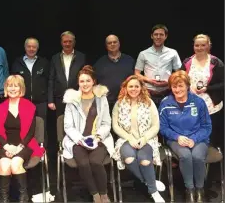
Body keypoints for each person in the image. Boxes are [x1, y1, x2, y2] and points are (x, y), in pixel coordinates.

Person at [0, 75, 45, 203]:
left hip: (25, 144)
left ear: (21, 89)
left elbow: (30, 133)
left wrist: (18, 148)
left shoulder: (30, 106)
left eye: (16, 85)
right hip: (5, 145)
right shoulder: (0, 108)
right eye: (10, 85)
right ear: (6, 88)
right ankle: (4, 200)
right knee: (4, 164)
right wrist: (7, 147)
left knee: (14, 164)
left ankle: (23, 198)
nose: (12, 88)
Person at [62, 65, 114, 203]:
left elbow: (106, 123)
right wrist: (80, 140)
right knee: (84, 163)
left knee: (96, 162)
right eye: (82, 81)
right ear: (78, 83)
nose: (85, 84)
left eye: (88, 81)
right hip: (77, 140)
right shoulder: (71, 101)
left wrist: (97, 137)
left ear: (93, 82)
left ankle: (104, 194)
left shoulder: (101, 99)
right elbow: (68, 126)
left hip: (99, 139)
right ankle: (95, 194)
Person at [159, 70, 212, 202]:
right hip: (176, 139)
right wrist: (177, 137)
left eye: (180, 86)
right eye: (174, 86)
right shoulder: (165, 103)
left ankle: (199, 189)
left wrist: (194, 139)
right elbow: (163, 127)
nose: (177, 89)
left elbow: (206, 127)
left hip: (198, 138)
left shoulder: (198, 102)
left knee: (197, 156)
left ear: (187, 86)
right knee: (185, 155)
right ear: (171, 87)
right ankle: (189, 189)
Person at [112, 75, 165, 203]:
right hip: (126, 140)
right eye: (131, 86)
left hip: (146, 139)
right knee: (129, 159)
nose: (134, 89)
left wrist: (144, 138)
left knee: (145, 161)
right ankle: (152, 185)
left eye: (137, 86)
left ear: (141, 88)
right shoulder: (119, 103)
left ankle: (152, 190)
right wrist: (129, 138)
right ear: (125, 88)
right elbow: (115, 126)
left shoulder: (149, 102)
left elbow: (155, 125)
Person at [181, 34, 224, 150]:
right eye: (197, 45)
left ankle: (209, 160)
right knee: (192, 135)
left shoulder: (216, 62)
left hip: (211, 107)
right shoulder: (187, 62)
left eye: (203, 45)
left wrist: (207, 88)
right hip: (191, 105)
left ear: (208, 46)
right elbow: (180, 80)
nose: (199, 48)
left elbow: (223, 83)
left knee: (210, 138)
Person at [11, 37, 49, 144]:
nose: (31, 49)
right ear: (25, 47)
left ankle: (42, 151)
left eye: (34, 47)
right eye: (29, 46)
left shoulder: (44, 62)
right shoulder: (17, 63)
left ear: (37, 48)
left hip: (41, 102)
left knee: (42, 128)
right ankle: (25, 150)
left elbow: (49, 81)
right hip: (23, 101)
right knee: (24, 127)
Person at [135, 24, 182, 107]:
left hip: (167, 91)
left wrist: (169, 82)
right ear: (151, 36)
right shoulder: (143, 54)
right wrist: (150, 81)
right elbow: (137, 74)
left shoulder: (173, 53)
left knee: (167, 118)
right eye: (156, 34)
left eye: (161, 35)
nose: (158, 37)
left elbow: (179, 73)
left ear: (165, 36)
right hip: (148, 92)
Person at [48, 31, 86, 118]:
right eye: (65, 41)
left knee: (77, 124)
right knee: (60, 124)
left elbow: (85, 78)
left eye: (70, 41)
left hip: (77, 98)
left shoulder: (81, 57)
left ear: (74, 42)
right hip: (59, 99)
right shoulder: (55, 58)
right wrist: (50, 100)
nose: (67, 44)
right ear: (61, 43)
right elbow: (51, 79)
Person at [94, 34, 135, 113]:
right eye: (109, 43)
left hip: (126, 102)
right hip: (106, 104)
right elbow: (95, 83)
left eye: (114, 42)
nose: (112, 44)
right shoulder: (99, 63)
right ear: (106, 46)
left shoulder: (129, 60)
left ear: (119, 44)